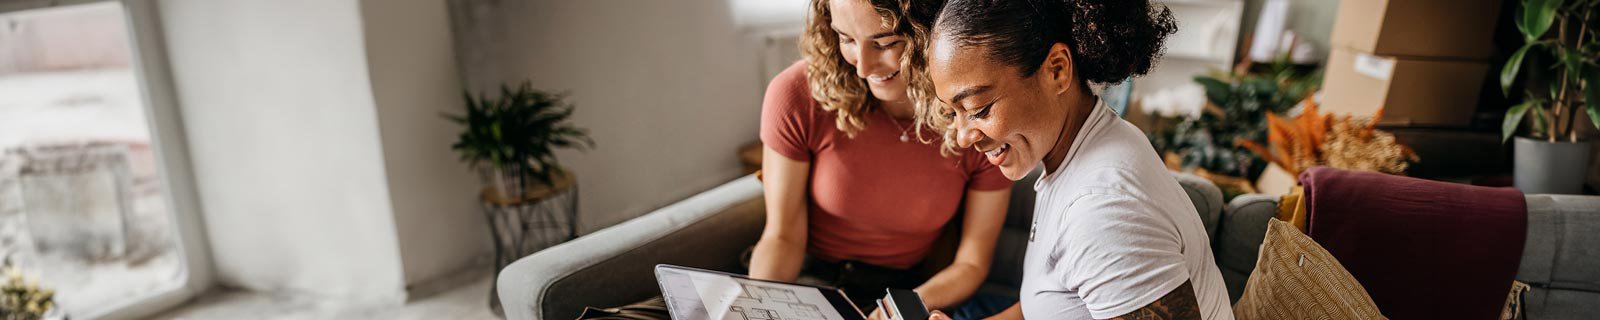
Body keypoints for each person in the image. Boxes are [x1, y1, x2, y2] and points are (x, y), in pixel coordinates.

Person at [918, 0, 1233, 319]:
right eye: (951, 113)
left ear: (1057, 69)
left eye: (978, 109)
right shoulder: (1084, 146)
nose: (962, 135)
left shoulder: (1106, 210)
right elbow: (1052, 306)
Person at [751, 0, 1014, 317]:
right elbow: (782, 237)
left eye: (886, 43)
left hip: (911, 292)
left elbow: (971, 263)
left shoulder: (978, 122)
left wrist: (898, 309)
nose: (862, 67)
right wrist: (761, 305)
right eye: (846, 39)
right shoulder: (796, 95)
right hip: (811, 283)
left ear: (935, 32)